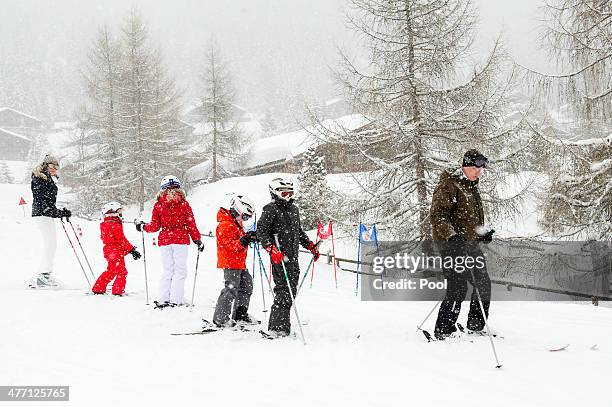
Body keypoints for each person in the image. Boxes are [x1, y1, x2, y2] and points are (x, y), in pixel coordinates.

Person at [430, 149, 495, 340]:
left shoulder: (471, 186)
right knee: (458, 286)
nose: (479, 172)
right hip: (451, 246)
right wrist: (452, 236)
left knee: (483, 284)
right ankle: (444, 329)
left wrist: (482, 234)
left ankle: (475, 324)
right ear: (465, 166)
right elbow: (437, 216)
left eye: (481, 168)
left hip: (470, 245)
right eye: (476, 168)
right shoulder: (449, 185)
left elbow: (469, 220)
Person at [256, 177, 320, 337]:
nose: (288, 197)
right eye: (284, 193)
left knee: (291, 291)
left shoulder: (294, 210)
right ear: (275, 193)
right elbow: (261, 231)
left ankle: (283, 321)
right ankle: (278, 328)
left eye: (290, 193)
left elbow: (298, 232)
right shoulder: (270, 209)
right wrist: (271, 249)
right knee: (283, 291)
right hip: (279, 257)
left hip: (293, 258)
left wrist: (311, 246)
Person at [136, 176, 203, 308]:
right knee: (180, 271)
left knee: (168, 270)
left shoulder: (159, 205)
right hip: (180, 240)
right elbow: (190, 224)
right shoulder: (183, 203)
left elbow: (154, 226)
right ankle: (176, 299)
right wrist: (197, 239)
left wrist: (143, 227)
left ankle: (164, 299)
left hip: (165, 240)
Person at [211, 194, 259, 328]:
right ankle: (220, 319)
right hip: (230, 262)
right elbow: (230, 245)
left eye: (247, 218)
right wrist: (244, 240)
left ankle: (240, 314)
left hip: (239, 262)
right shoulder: (226, 225)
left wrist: (250, 236)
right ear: (237, 210)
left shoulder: (235, 223)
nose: (245, 220)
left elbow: (240, 238)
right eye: (244, 217)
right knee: (230, 289)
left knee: (246, 285)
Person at [30, 154, 72, 288]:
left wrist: (59, 211)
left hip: (46, 213)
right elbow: (41, 201)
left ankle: (45, 274)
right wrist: (55, 212)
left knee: (52, 244)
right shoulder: (39, 178)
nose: (54, 169)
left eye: (56, 167)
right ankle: (43, 276)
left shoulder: (48, 179)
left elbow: (49, 201)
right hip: (41, 214)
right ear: (45, 165)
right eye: (52, 166)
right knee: (50, 244)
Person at [92, 202, 141, 296]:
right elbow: (121, 239)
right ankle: (118, 291)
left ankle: (98, 288)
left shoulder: (106, 223)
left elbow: (112, 240)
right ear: (113, 212)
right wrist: (131, 250)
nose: (121, 213)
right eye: (119, 211)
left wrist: (129, 250)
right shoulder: (115, 225)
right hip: (115, 251)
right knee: (122, 272)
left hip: (110, 250)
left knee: (111, 271)